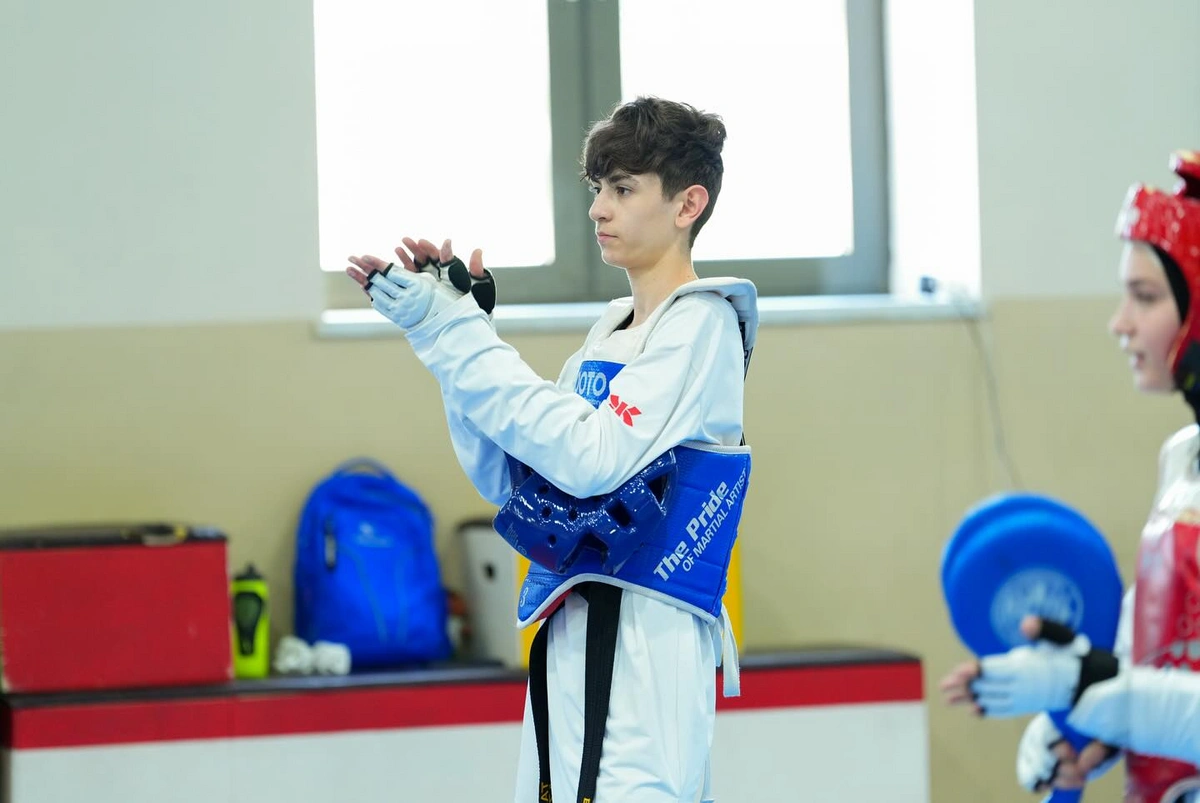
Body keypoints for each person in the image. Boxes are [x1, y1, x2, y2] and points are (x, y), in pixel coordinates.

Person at [345, 96, 757, 803]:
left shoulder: (702, 324)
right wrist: (451, 335)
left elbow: (591, 457)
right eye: (598, 188)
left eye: (622, 189)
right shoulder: (611, 332)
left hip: (647, 643)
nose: (598, 208)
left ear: (688, 204)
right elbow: (513, 479)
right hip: (571, 630)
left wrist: (461, 337)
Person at [940, 149, 1200, 802]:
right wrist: (1076, 728)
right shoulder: (1181, 458)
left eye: (1145, 297)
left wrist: (1093, 690)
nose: (1120, 321)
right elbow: (1152, 661)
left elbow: (1145, 698)